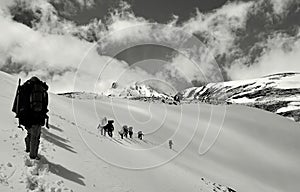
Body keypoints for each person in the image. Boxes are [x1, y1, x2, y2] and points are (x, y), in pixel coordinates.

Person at [12, 77, 49, 160]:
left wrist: (20, 115)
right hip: (37, 116)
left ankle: (28, 149)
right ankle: (33, 156)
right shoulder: (41, 89)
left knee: (30, 133)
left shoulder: (25, 87)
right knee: (35, 137)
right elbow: (45, 104)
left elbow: (19, 102)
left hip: (26, 117)